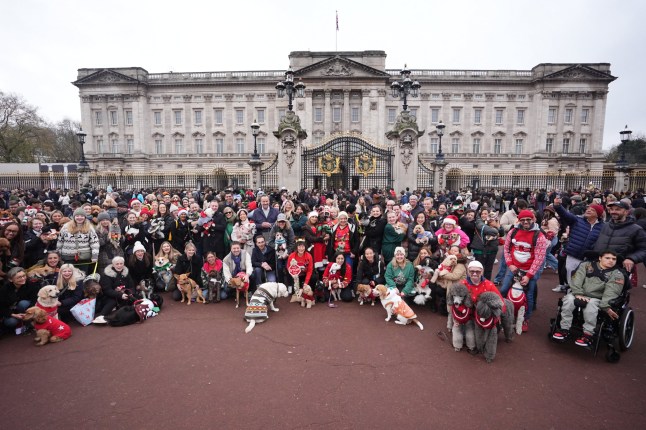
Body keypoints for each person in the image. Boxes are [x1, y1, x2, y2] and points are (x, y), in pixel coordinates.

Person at [552, 250, 625, 347]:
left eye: (614, 259)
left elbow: (611, 292)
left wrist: (605, 306)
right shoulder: (586, 265)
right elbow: (576, 279)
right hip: (579, 293)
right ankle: (564, 329)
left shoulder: (617, 274)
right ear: (600, 258)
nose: (611, 261)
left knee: (591, 306)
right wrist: (578, 293)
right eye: (607, 258)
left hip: (598, 298)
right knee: (568, 300)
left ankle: (588, 335)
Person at [499, 209, 549, 332]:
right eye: (523, 220)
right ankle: (501, 313)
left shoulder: (539, 236)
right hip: (514, 267)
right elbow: (506, 249)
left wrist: (529, 275)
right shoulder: (513, 231)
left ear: (533, 219)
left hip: (529, 270)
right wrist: (510, 264)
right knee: (504, 289)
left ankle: (525, 318)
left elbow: (540, 258)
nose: (525, 222)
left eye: (528, 219)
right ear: (519, 220)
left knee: (529, 295)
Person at [552, 197, 605, 292]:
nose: (588, 211)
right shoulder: (577, 220)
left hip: (589, 258)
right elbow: (565, 215)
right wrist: (557, 206)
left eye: (592, 210)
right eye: (588, 209)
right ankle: (570, 292)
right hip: (573, 254)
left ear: (598, 215)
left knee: (584, 278)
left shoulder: (604, 227)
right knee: (570, 275)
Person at [592, 200, 646, 282]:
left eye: (617, 209)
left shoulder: (636, 229)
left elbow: (643, 249)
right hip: (599, 267)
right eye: (612, 209)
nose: (613, 212)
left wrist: (631, 259)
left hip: (619, 270)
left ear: (626, 212)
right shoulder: (605, 225)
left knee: (612, 293)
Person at [56, 208, 99, 273]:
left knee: (82, 276)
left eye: (82, 216)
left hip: (84, 257)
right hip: (68, 256)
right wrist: (59, 255)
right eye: (77, 216)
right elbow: (60, 241)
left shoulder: (90, 227)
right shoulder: (65, 226)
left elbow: (94, 242)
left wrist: (95, 255)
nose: (79, 218)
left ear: (85, 217)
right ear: (74, 217)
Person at [93, 256, 134, 324]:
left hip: (123, 294)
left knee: (133, 297)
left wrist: (130, 293)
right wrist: (120, 295)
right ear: (113, 265)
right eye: (117, 264)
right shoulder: (107, 275)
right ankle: (101, 316)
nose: (119, 265)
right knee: (112, 301)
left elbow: (132, 286)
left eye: (121, 263)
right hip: (108, 296)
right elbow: (107, 290)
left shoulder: (126, 273)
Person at [0, 267, 37, 332]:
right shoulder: (4, 289)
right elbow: (1, 306)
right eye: (19, 277)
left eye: (24, 276)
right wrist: (13, 315)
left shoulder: (31, 285)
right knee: (11, 322)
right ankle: (18, 324)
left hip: (26, 309)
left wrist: (28, 313)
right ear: (11, 279)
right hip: (11, 312)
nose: (23, 279)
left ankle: (27, 322)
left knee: (23, 303)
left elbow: (35, 301)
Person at [471, 208, 502, 281]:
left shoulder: (494, 221)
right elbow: (486, 230)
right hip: (480, 249)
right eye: (482, 214)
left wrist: (498, 226)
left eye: (485, 213)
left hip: (492, 249)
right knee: (478, 269)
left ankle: (486, 284)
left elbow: (502, 233)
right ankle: (477, 283)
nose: (483, 215)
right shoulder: (479, 222)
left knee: (489, 269)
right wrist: (496, 229)